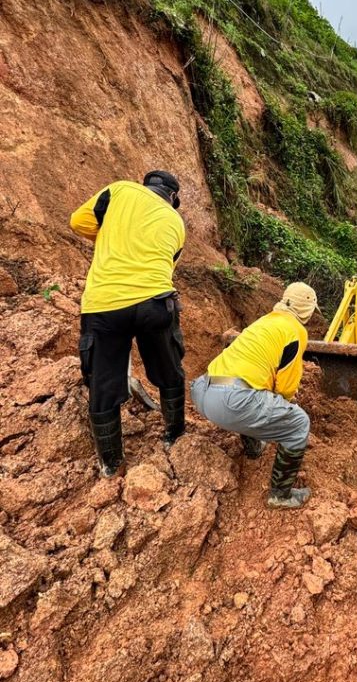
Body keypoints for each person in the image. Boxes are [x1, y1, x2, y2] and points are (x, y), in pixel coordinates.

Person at [70, 171, 186, 476]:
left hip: (104, 304)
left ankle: (111, 463)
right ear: (173, 199)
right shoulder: (176, 222)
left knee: (103, 382)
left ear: (146, 185)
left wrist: (111, 238)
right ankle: (175, 434)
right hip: (155, 301)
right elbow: (168, 263)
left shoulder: (119, 190)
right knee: (169, 369)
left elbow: (78, 222)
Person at [191, 282, 317, 509]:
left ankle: (253, 447)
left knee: (255, 393)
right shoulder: (296, 331)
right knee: (299, 423)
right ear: (308, 310)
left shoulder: (265, 321)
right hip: (233, 402)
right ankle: (280, 495)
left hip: (203, 390)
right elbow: (286, 388)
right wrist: (283, 411)